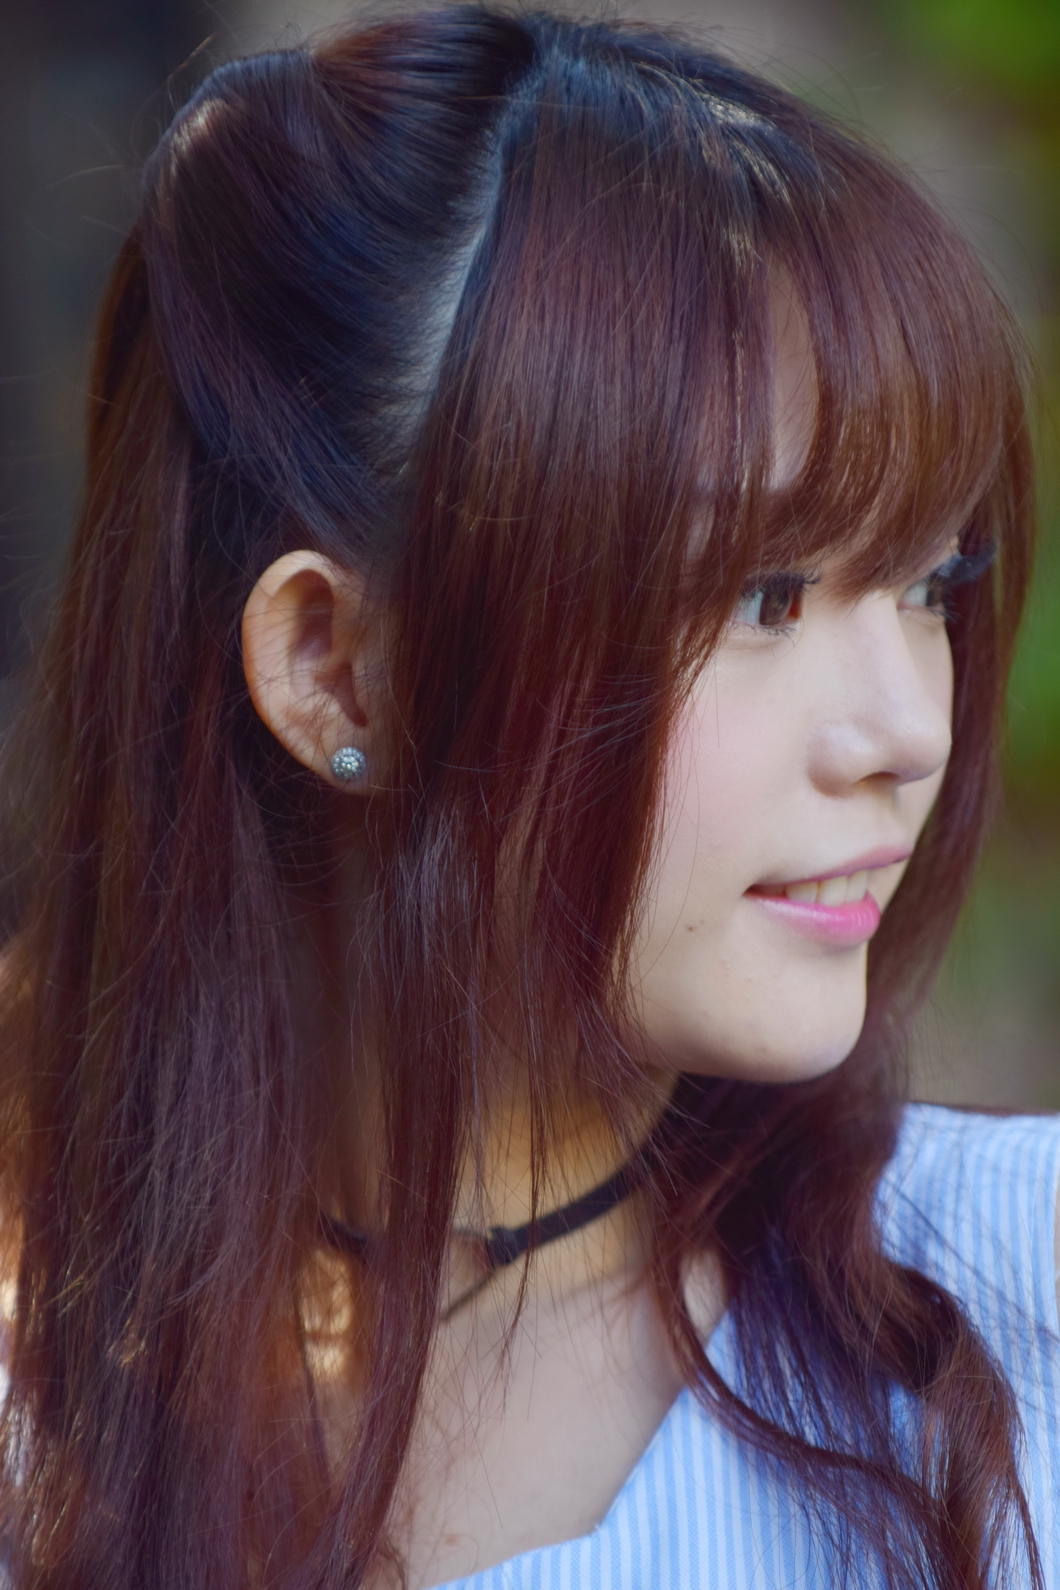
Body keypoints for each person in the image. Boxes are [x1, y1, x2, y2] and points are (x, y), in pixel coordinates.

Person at [0, 2, 1056, 1586]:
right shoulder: (47, 1425)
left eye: (929, 579)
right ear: (333, 668)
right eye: (761, 595)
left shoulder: (1013, 1304)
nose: (909, 727)